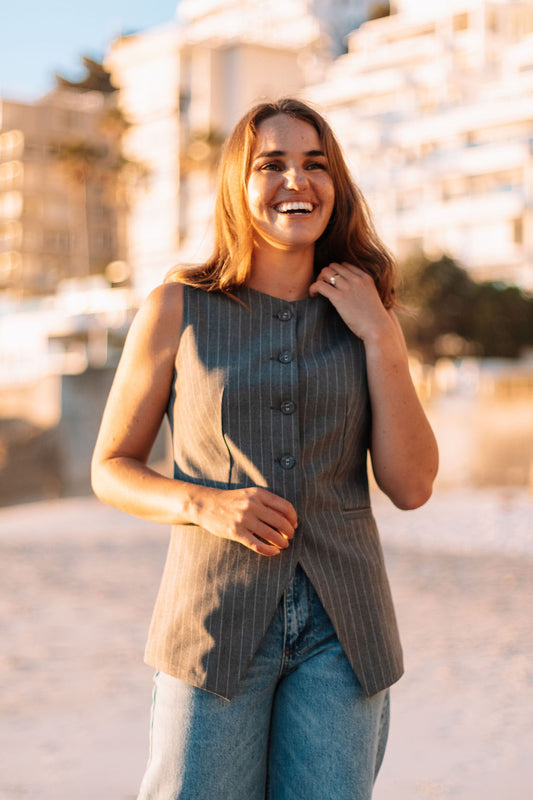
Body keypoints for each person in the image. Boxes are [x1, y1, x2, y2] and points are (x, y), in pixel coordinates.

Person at [91, 97, 438, 800]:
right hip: (211, 625)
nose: (295, 181)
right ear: (236, 184)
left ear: (334, 185)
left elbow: (410, 485)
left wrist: (381, 336)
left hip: (345, 633)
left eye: (315, 164)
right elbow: (111, 469)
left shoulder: (368, 315)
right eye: (270, 164)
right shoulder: (176, 308)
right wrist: (203, 504)